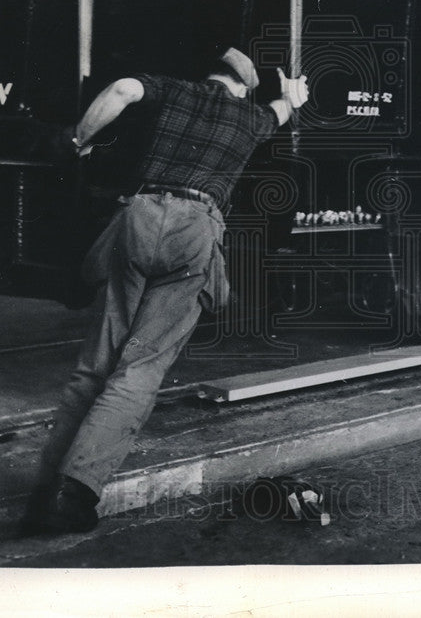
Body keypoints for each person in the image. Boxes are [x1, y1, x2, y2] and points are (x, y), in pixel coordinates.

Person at [27, 47, 309, 534]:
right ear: (242, 87)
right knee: (140, 367)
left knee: (96, 363)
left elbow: (122, 90)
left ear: (212, 76)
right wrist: (292, 98)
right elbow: (283, 111)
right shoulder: (249, 116)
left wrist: (76, 139)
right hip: (194, 227)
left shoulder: (173, 90)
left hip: (135, 218)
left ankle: (43, 491)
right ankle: (73, 492)